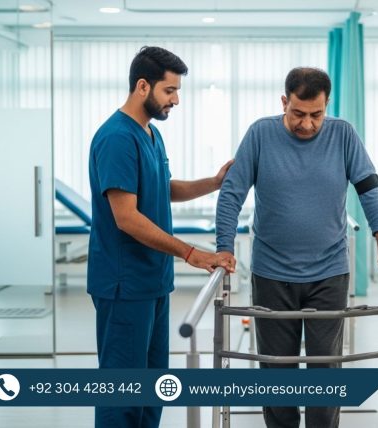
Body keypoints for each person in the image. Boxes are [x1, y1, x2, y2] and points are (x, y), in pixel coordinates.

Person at [215, 67, 378, 428]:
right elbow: (232, 193)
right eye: (298, 113)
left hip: (329, 274)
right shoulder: (260, 134)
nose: (307, 124)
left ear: (326, 106)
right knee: (276, 371)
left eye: (316, 114)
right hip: (272, 273)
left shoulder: (343, 134)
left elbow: (369, 188)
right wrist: (225, 247)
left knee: (325, 372)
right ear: (284, 102)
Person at [87, 46, 234, 428]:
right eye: (169, 91)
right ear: (142, 86)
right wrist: (190, 253)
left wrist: (214, 183)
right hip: (124, 285)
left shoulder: (150, 133)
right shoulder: (117, 137)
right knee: (122, 395)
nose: (176, 100)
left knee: (152, 389)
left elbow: (162, 187)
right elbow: (127, 218)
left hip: (152, 282)